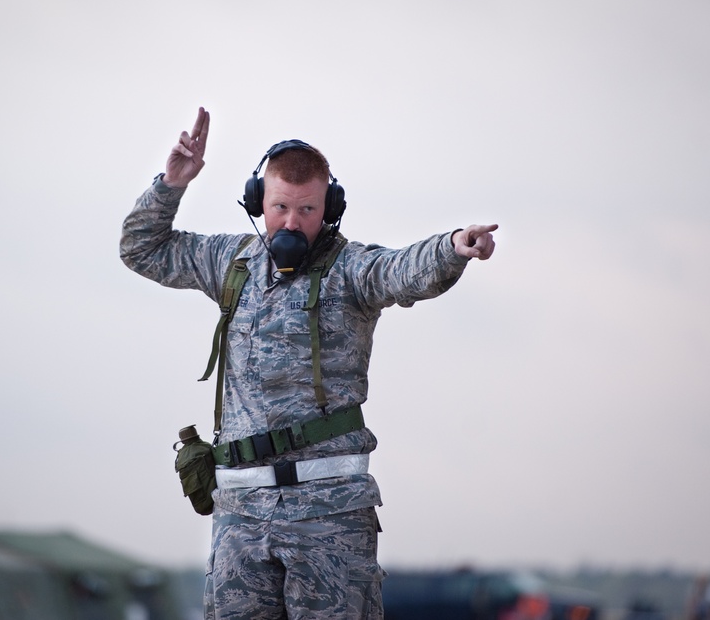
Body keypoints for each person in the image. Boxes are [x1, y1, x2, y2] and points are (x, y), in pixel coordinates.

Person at [120, 107, 497, 620]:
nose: (292, 223)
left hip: (330, 514)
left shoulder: (351, 270)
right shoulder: (231, 264)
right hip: (240, 517)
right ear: (258, 202)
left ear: (331, 208)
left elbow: (401, 270)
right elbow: (142, 248)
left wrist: (453, 248)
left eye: (307, 210)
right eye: (279, 207)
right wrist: (171, 184)